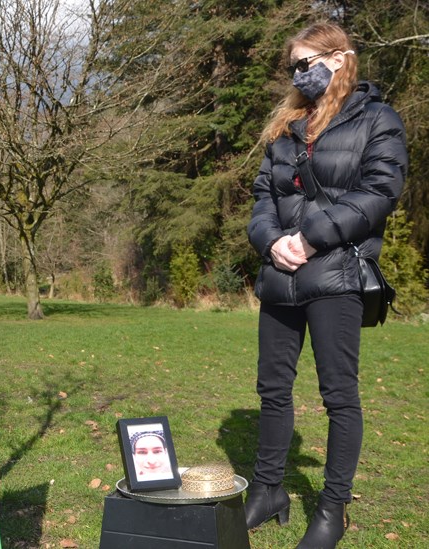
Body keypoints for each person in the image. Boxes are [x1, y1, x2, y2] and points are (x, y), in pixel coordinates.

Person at [245, 22, 407, 549]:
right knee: (272, 391)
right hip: (279, 276)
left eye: (306, 61)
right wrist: (271, 242)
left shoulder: (377, 119)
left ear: (340, 59)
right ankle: (268, 490)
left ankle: (332, 510)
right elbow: (262, 198)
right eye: (293, 65)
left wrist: (311, 240)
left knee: (339, 396)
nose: (298, 73)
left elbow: (380, 191)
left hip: (335, 272)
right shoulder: (287, 125)